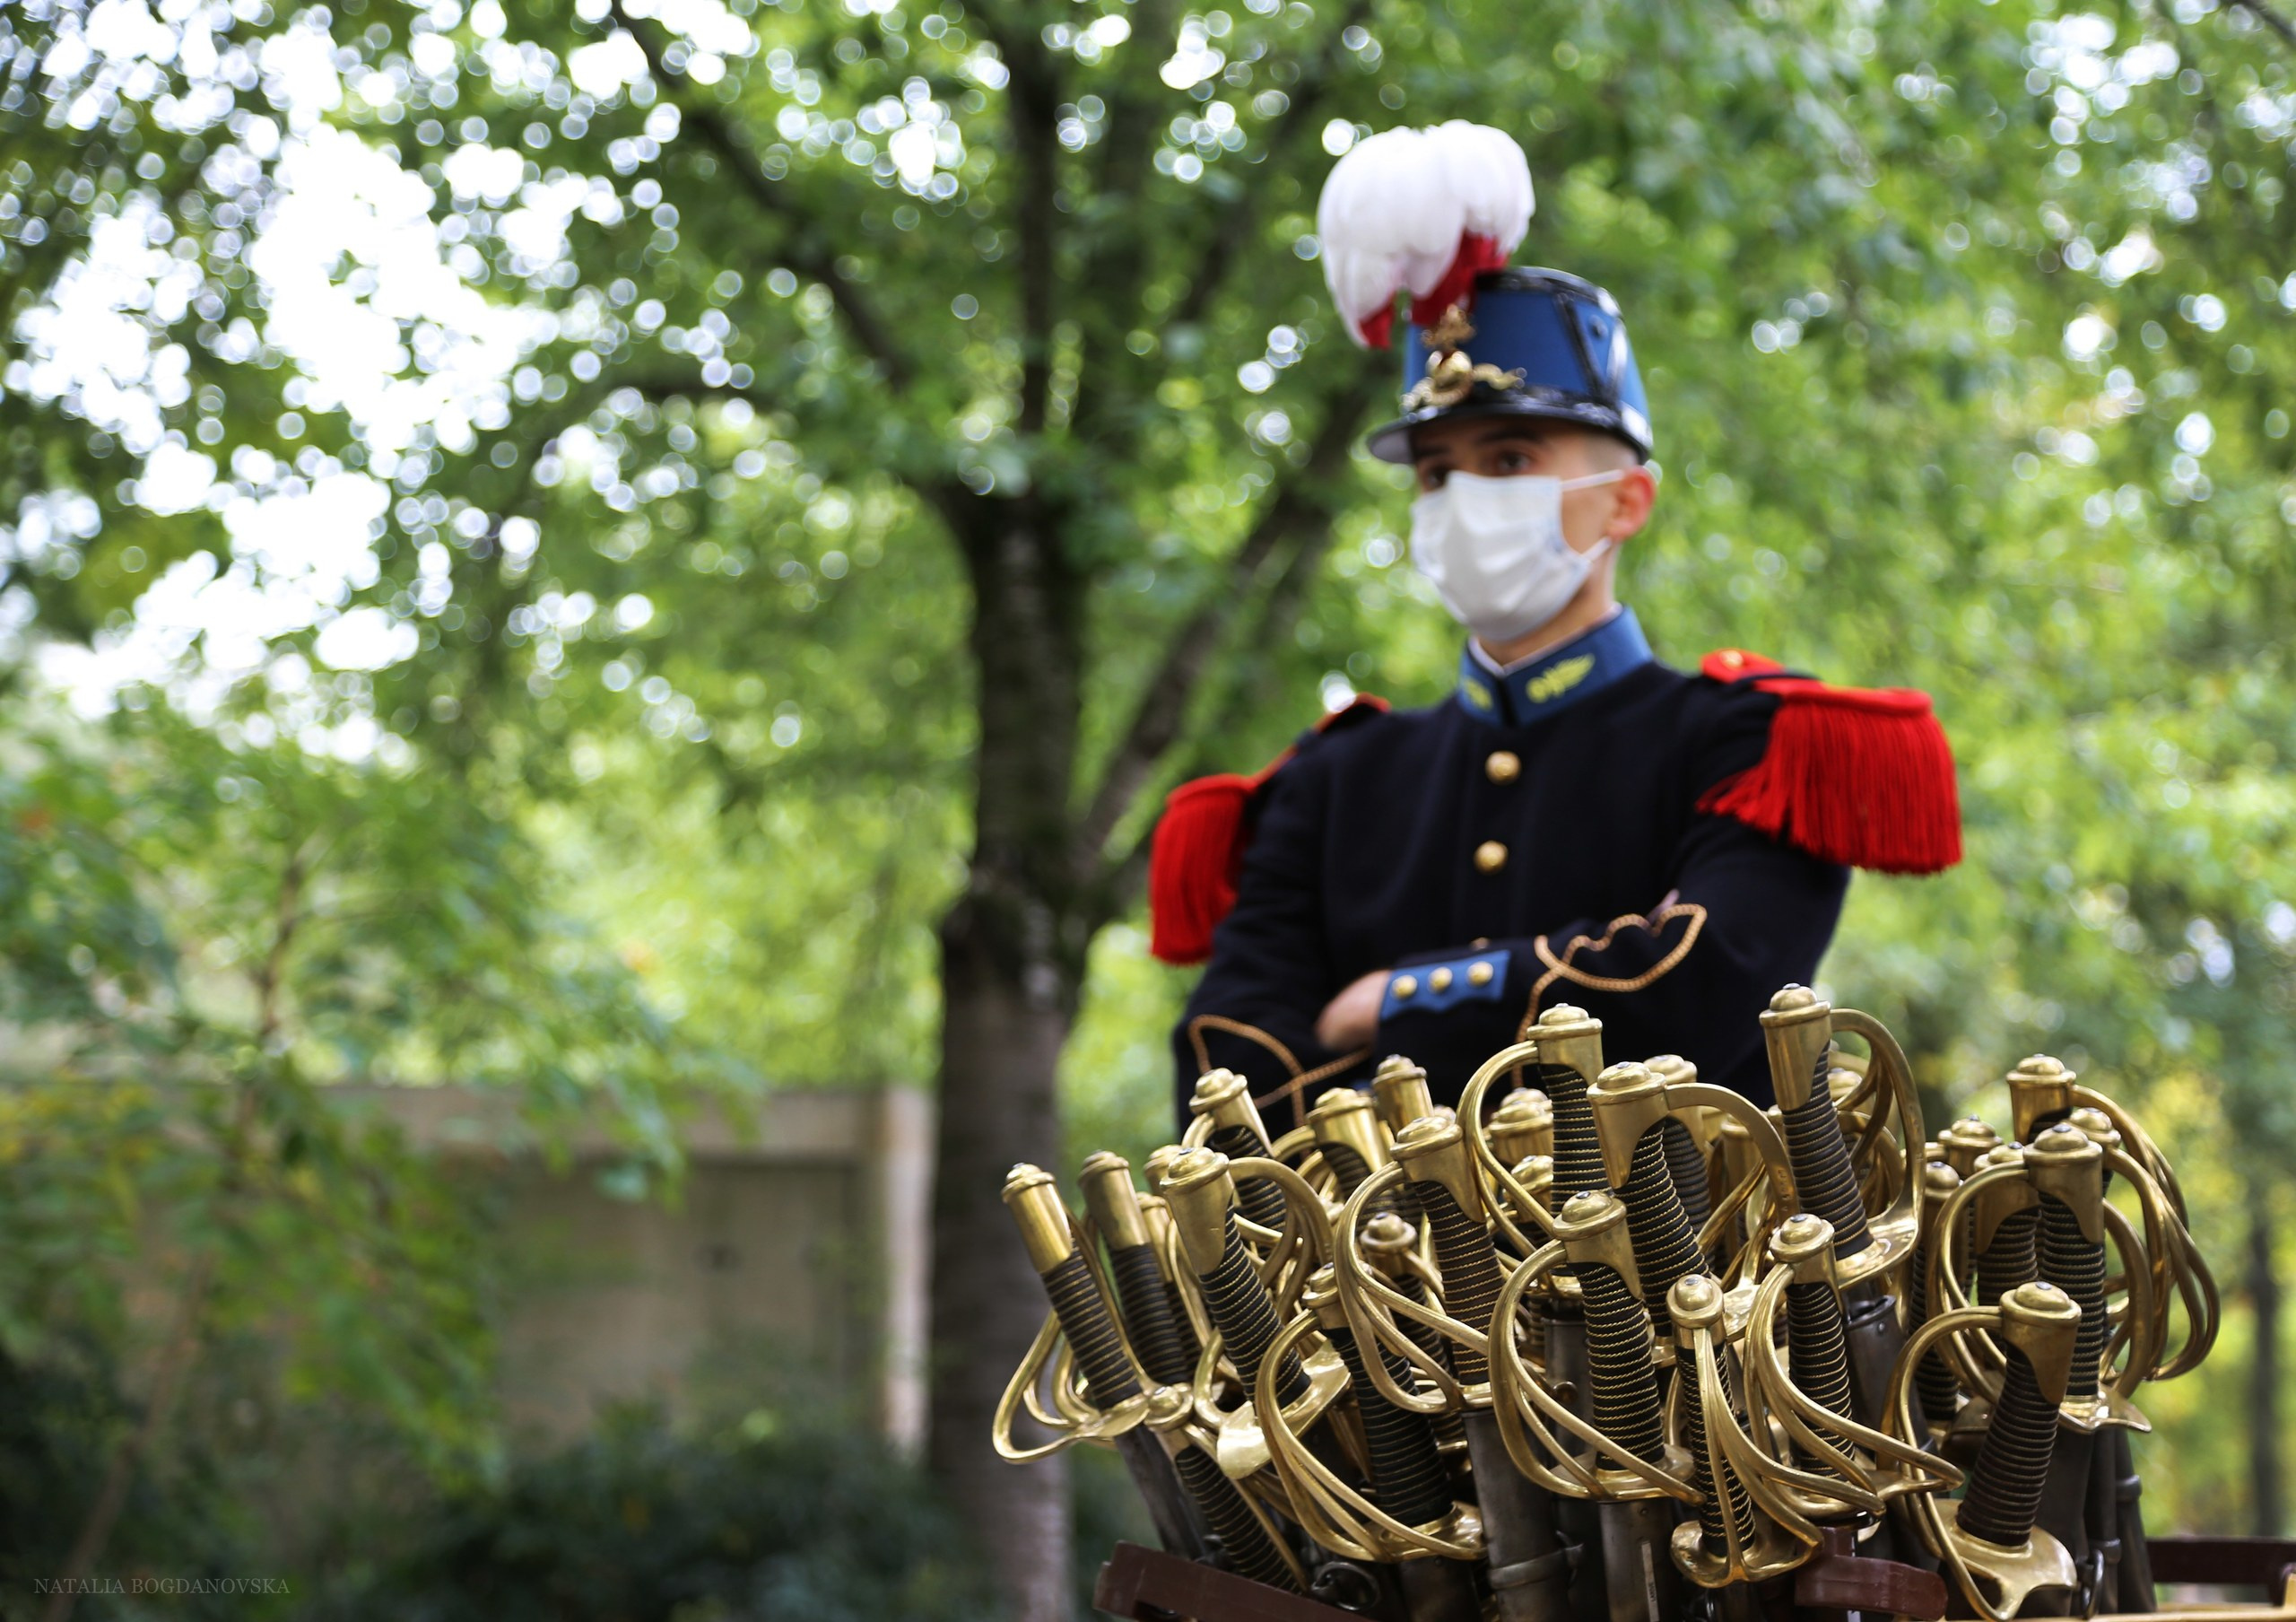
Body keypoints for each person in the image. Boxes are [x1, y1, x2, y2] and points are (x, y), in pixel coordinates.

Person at [1152, 122, 1960, 1132]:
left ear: (1626, 501)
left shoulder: (1749, 743)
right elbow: (1225, 1075)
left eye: (1508, 459)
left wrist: (1387, 1002)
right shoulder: (1333, 780)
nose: (1461, 498)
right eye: (1436, 473)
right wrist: (1568, 983)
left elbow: (1705, 998)